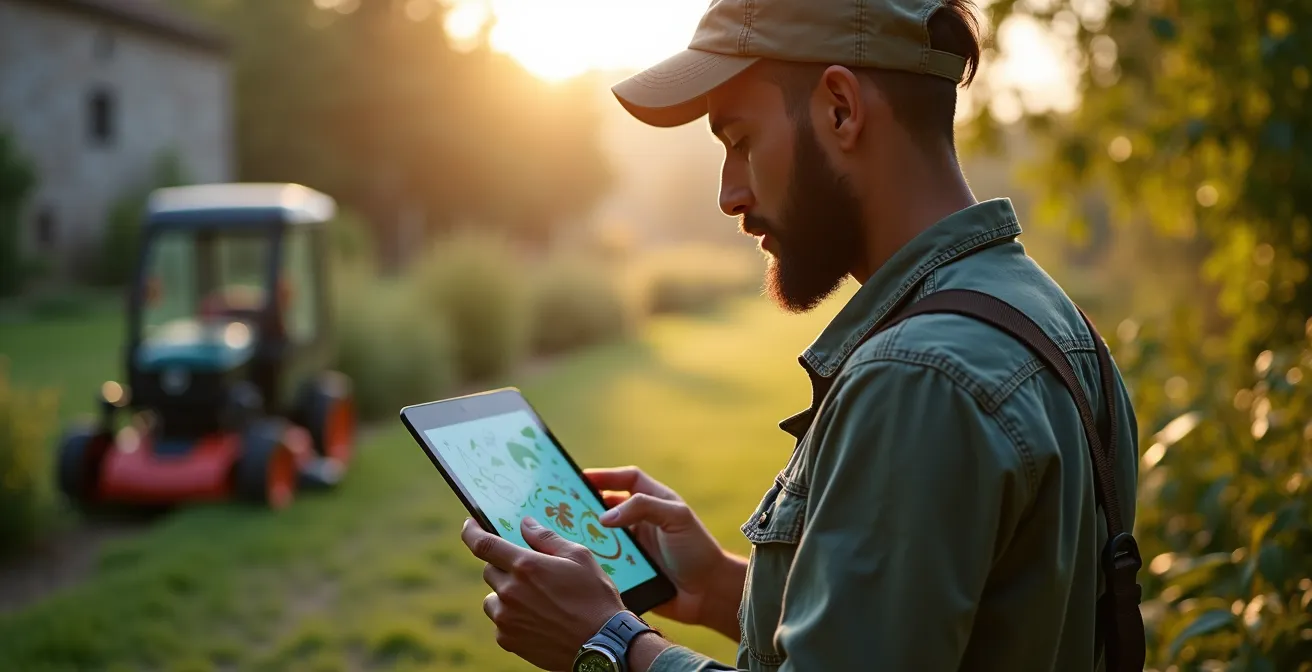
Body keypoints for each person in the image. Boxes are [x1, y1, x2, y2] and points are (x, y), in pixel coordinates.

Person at [459, 0, 1146, 669]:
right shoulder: (1054, 324)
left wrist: (611, 644)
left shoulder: (918, 377)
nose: (729, 194)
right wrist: (720, 588)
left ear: (840, 109)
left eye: (740, 141)